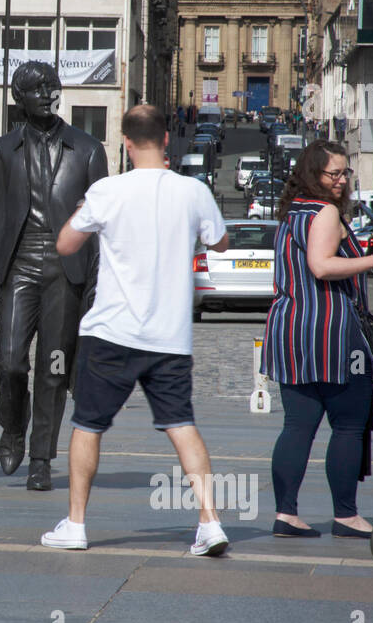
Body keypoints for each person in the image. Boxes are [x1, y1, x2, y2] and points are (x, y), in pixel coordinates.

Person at [40, 104, 231, 556]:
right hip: (170, 337)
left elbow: (65, 243)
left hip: (112, 332)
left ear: (125, 143)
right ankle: (210, 522)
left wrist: (86, 210)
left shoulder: (108, 190)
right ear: (167, 139)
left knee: (88, 425)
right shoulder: (193, 190)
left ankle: (77, 524)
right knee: (182, 424)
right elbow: (220, 241)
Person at [0, 61, 107, 490]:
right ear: (19, 98)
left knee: (54, 368)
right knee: (10, 360)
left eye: (50, 87)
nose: (44, 94)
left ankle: (41, 458)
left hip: (65, 267)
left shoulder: (88, 149)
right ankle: (13, 423)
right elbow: (0, 214)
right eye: (34, 89)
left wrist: (95, 284)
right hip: (19, 263)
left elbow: (98, 225)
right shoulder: (3, 150)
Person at [262, 142, 373, 539]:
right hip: (330, 331)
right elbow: (322, 265)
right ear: (312, 173)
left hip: (289, 328)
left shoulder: (293, 211)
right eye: (331, 174)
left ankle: (286, 514)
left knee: (297, 426)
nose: (340, 180)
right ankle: (347, 516)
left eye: (344, 173)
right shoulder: (326, 211)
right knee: (349, 425)